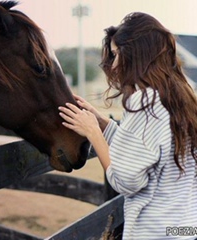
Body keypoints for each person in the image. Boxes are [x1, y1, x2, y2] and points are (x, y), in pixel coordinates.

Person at [58, 12, 197, 240]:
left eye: (115, 54)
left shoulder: (145, 101)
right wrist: (102, 123)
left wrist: (93, 133)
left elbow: (126, 181)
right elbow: (145, 149)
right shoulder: (180, 96)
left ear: (134, 53)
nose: (113, 65)